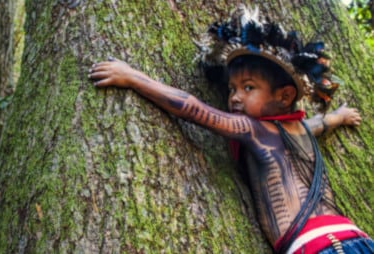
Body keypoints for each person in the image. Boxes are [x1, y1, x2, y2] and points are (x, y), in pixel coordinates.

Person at [88, 5, 373, 254]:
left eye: (248, 87)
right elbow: (320, 124)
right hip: (355, 239)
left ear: (285, 96)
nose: (234, 97)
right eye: (231, 89)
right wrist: (339, 117)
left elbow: (193, 109)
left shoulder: (254, 130)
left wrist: (134, 78)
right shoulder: (298, 130)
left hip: (319, 246)